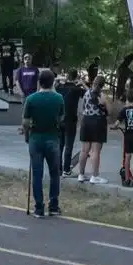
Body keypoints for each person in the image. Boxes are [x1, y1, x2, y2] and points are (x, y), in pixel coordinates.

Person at [22, 68, 65, 217]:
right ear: (53, 82)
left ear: (39, 82)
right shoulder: (59, 98)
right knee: (54, 173)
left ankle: (39, 207)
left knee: (37, 173)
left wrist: (27, 136)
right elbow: (60, 119)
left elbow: (26, 122)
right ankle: (53, 205)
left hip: (36, 138)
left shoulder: (31, 99)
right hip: (52, 138)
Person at [76, 75, 109, 184]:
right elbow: (109, 110)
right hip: (97, 122)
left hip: (86, 121)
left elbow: (87, 94)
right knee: (96, 151)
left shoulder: (87, 93)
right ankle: (94, 176)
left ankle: (81, 174)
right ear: (103, 85)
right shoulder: (101, 96)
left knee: (84, 150)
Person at [58, 69, 84, 177]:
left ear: (67, 77)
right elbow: (90, 94)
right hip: (71, 120)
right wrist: (83, 84)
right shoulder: (77, 89)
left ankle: (58, 168)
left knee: (60, 145)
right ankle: (66, 169)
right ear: (76, 77)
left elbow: (53, 87)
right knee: (69, 146)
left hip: (60, 119)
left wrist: (58, 81)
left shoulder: (60, 88)